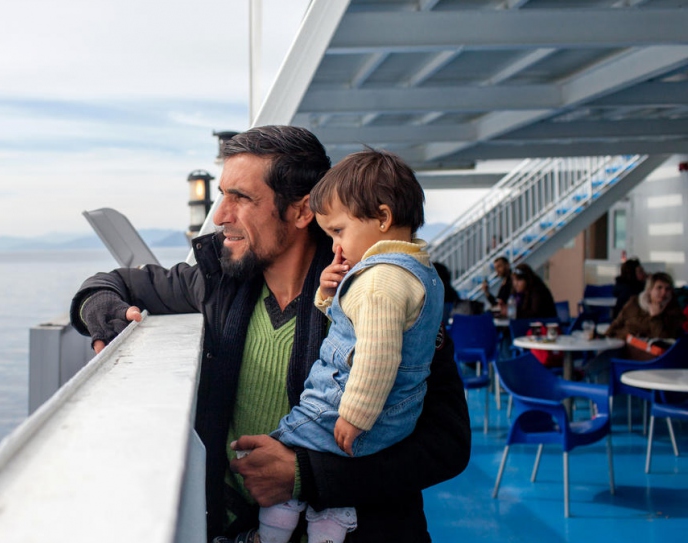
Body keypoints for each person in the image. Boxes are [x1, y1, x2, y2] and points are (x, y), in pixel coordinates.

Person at [69, 126, 471, 542]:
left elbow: (447, 444)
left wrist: (306, 476)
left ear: (301, 212)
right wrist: (107, 316)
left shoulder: (382, 292)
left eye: (240, 198)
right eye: (222, 194)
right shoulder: (217, 282)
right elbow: (107, 284)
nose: (221, 215)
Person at [227, 149, 444, 543]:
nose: (336, 248)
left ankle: (271, 532)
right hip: (394, 422)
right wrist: (331, 296)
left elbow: (377, 356)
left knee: (274, 447)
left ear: (382, 217)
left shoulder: (380, 282)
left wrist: (355, 415)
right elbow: (358, 327)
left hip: (349, 413)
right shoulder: (421, 274)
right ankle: (330, 521)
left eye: (339, 232)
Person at [605, 271, 685, 341]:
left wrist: (655, 317)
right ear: (650, 290)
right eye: (659, 288)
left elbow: (663, 340)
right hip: (620, 343)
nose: (664, 292)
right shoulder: (635, 302)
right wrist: (605, 337)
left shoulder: (673, 310)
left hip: (645, 353)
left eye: (668, 289)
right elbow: (618, 322)